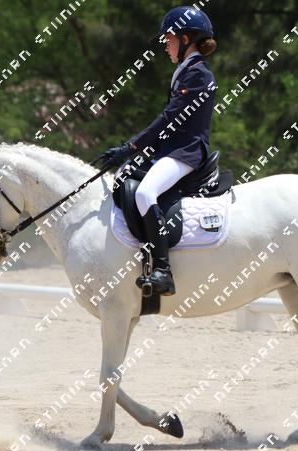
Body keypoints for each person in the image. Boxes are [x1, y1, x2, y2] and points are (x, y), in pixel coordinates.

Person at [102, 6, 218, 296]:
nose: (166, 46)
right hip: (173, 150)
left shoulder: (198, 74)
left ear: (186, 38)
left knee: (145, 193)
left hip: (186, 153)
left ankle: (163, 271)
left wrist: (131, 146)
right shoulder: (186, 71)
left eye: (169, 39)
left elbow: (169, 119)